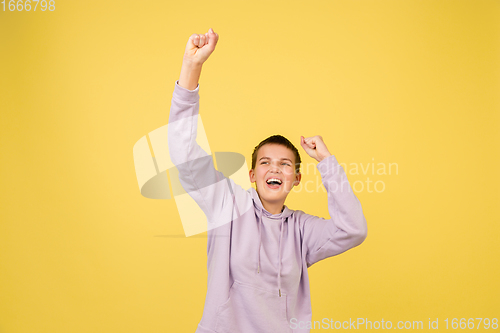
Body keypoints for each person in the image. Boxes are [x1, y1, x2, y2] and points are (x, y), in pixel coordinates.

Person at [168, 28, 368, 333]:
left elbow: (353, 229)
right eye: (265, 163)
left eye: (285, 165)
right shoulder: (227, 205)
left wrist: (327, 163)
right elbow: (184, 152)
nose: (274, 170)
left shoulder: (302, 231)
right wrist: (191, 67)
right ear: (252, 175)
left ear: (296, 179)